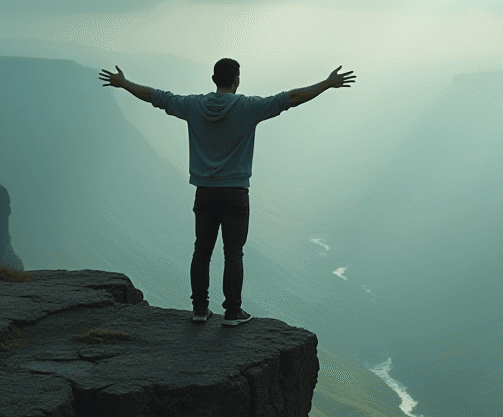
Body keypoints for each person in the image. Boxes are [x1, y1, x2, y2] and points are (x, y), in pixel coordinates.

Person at [98, 58, 356, 327]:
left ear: (213, 79)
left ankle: (199, 309)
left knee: (202, 251)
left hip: (205, 192)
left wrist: (124, 83)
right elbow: (292, 97)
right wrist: (327, 84)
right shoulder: (248, 107)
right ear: (237, 80)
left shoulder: (193, 106)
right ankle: (232, 312)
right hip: (235, 193)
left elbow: (154, 96)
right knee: (233, 253)